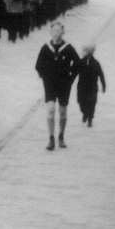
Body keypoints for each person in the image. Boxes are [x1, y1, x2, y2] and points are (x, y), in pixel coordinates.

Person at [34, 20, 80, 150]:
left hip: (64, 84)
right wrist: (44, 77)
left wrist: (71, 78)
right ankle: (51, 138)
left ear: (63, 32)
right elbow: (38, 66)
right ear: (50, 32)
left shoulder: (68, 48)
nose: (56, 33)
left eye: (59, 30)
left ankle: (61, 136)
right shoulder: (46, 47)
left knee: (63, 111)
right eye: (54, 30)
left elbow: (77, 64)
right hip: (50, 84)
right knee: (50, 110)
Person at [76, 45, 107, 127]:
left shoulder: (96, 63)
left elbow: (101, 75)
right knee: (81, 102)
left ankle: (90, 119)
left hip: (92, 87)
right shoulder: (81, 62)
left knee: (91, 103)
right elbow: (74, 72)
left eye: (89, 52)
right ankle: (85, 113)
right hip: (82, 87)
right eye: (87, 52)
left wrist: (103, 85)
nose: (87, 54)